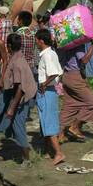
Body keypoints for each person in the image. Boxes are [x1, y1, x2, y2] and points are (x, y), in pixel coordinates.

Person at [57, 39, 93, 143]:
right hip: (75, 76)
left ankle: (60, 134)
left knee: (70, 106)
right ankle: (74, 126)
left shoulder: (65, 44)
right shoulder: (78, 46)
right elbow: (84, 60)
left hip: (67, 75)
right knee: (91, 102)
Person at [35, 29, 65, 165]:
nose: (36, 43)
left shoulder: (47, 55)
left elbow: (53, 73)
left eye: (36, 40)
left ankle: (58, 153)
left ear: (41, 41)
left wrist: (44, 84)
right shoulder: (50, 53)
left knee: (49, 121)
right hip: (48, 91)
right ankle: (47, 150)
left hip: (47, 90)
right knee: (45, 120)